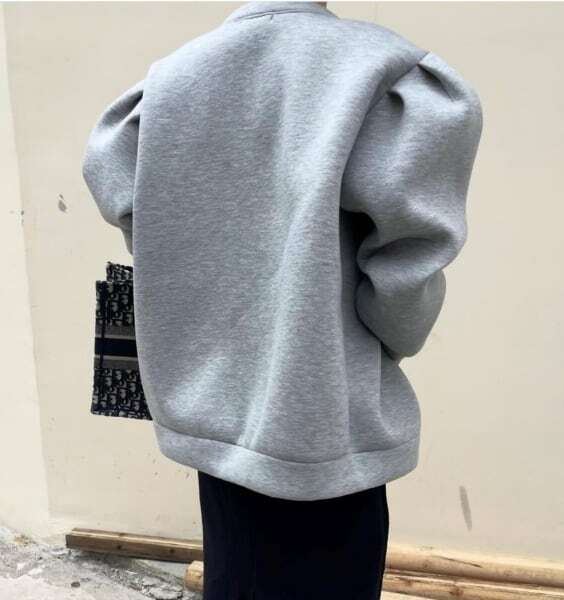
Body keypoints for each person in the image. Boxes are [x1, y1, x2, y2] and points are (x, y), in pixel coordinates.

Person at [82, 1, 483, 598]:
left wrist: (199, 287)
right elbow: (406, 273)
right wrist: (390, 331)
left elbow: (127, 198)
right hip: (325, 421)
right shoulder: (385, 75)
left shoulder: (171, 80)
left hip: (216, 422)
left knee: (236, 570)